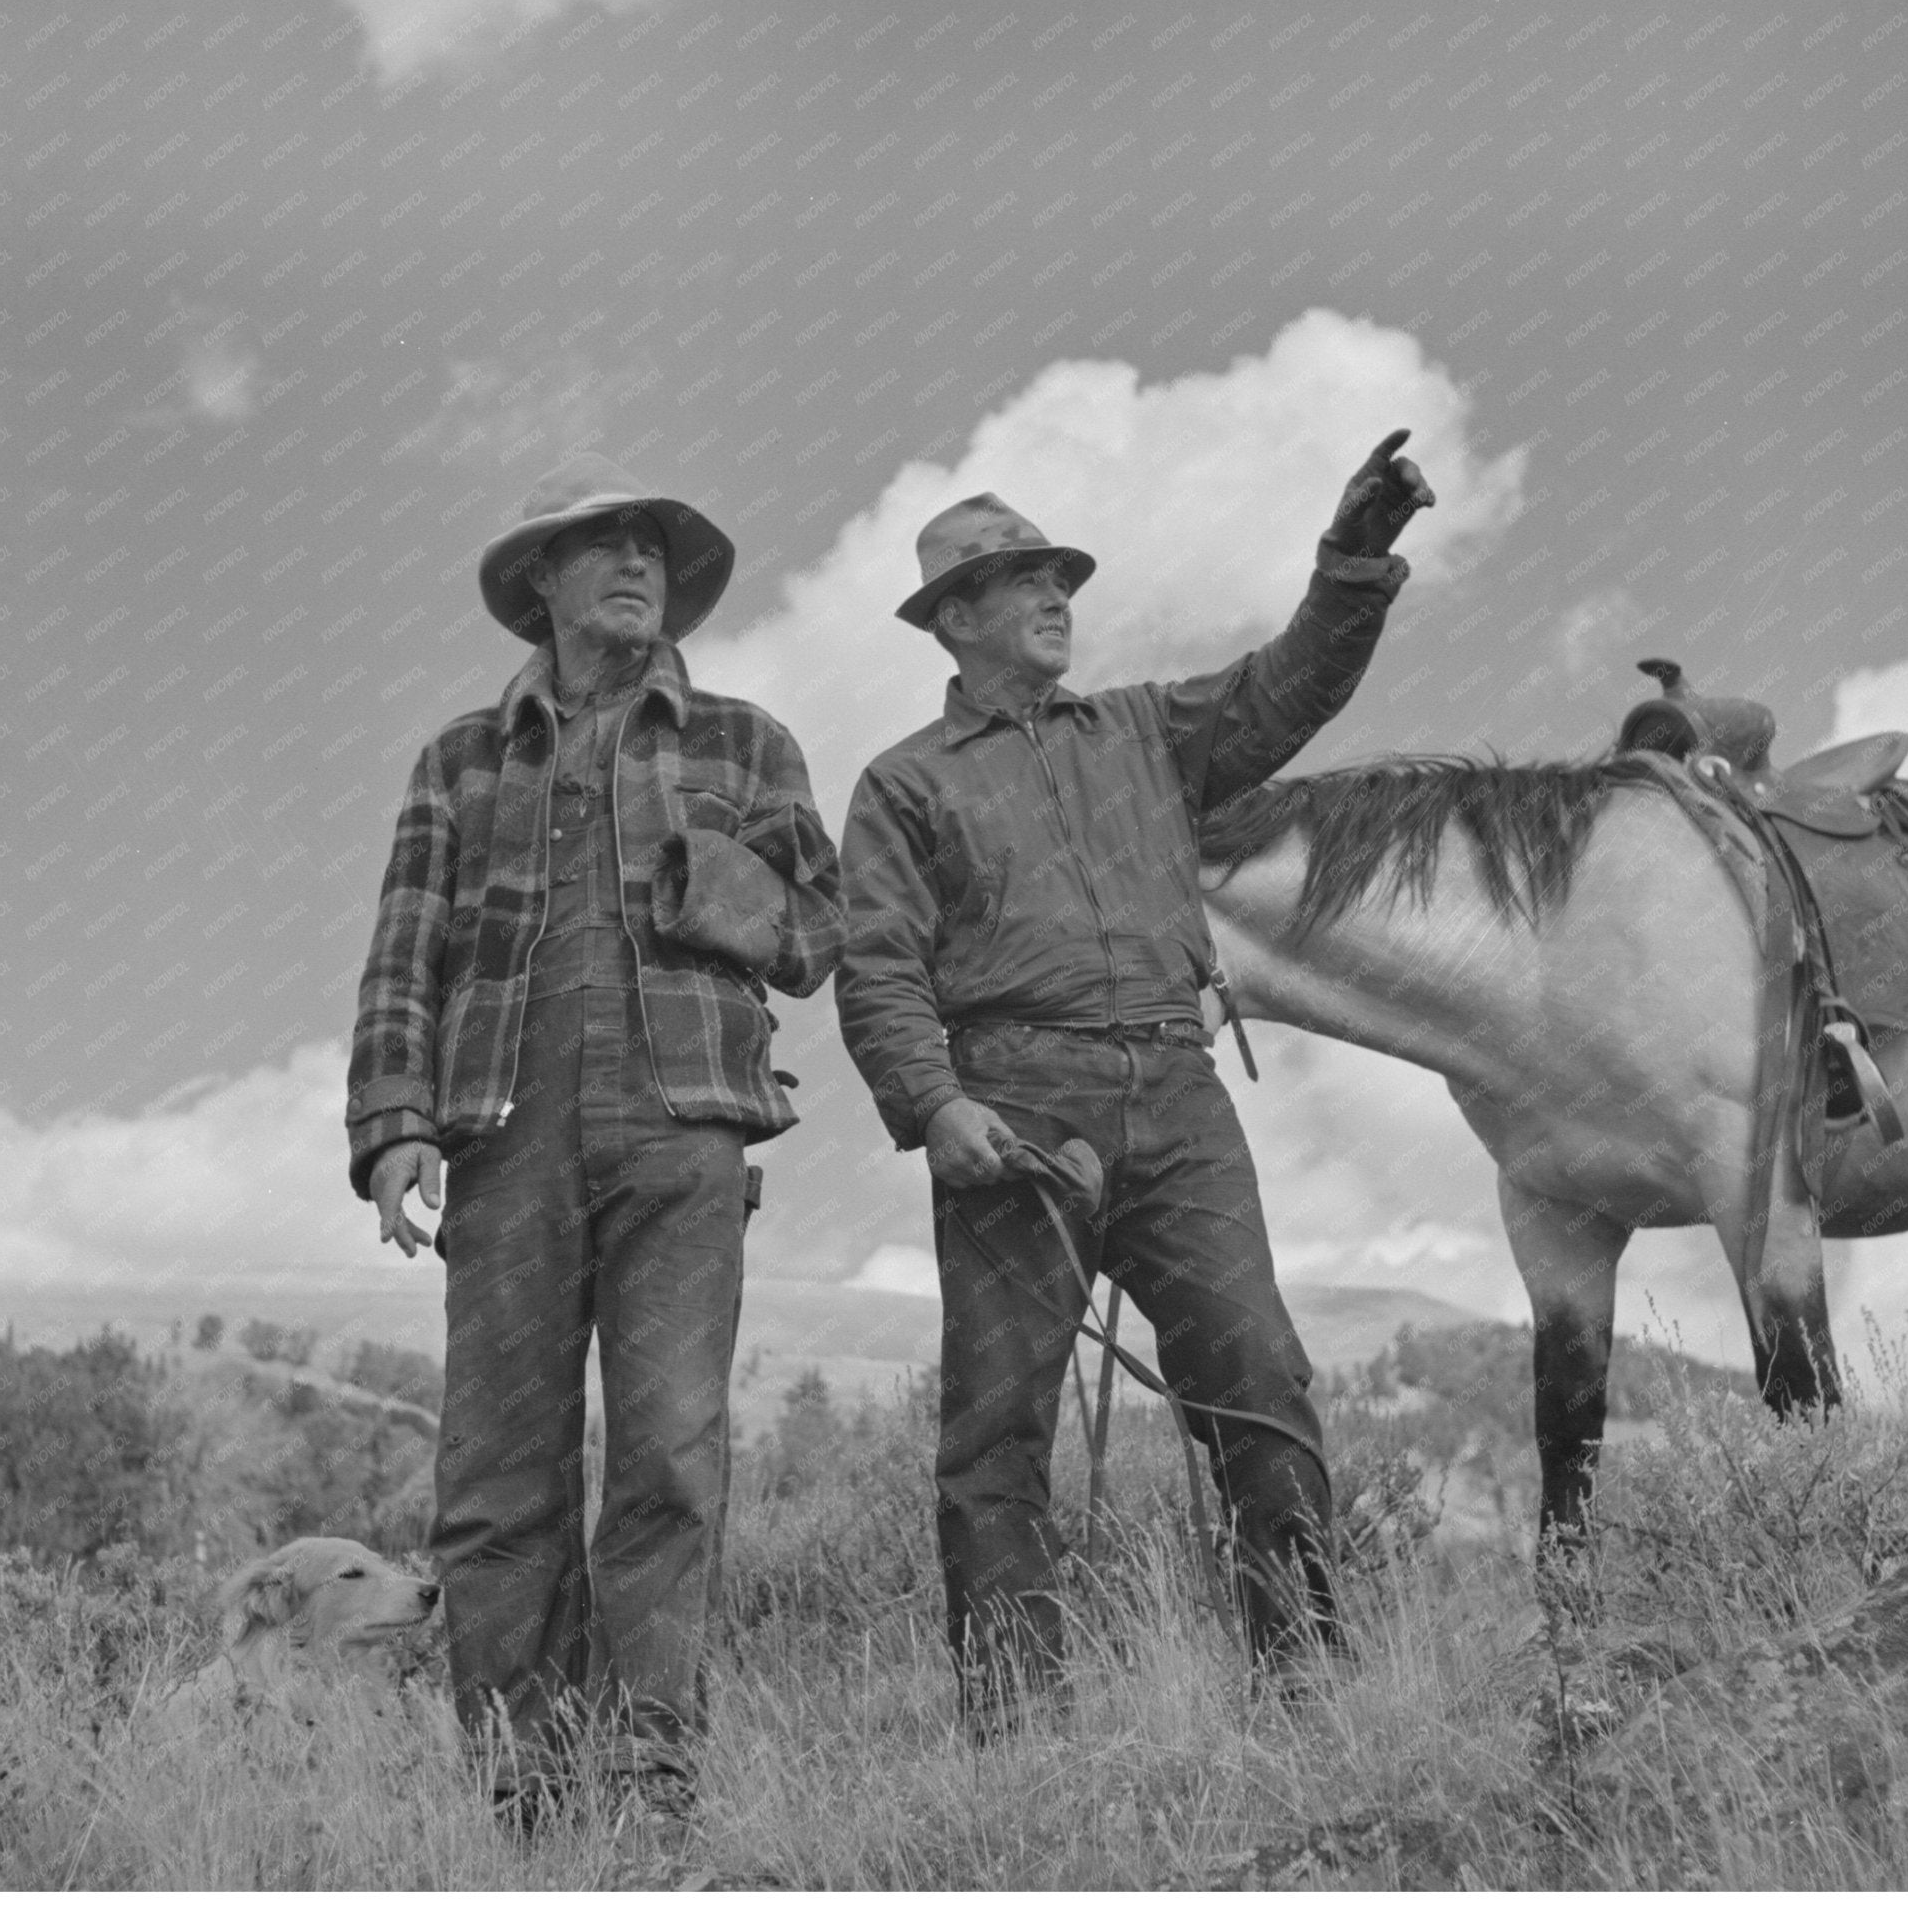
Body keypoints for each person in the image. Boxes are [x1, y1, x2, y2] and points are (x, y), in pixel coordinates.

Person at [835, 432, 1434, 1725]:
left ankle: (1308, 1690)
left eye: (1059, 576)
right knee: (998, 1429)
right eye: (1019, 581)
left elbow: (1289, 690)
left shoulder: (1146, 732)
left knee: (1261, 1378)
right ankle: (1017, 1729)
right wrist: (936, 1105)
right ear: (954, 621)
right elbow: (874, 967)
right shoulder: (903, 788)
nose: (1056, 597)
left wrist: (1353, 560)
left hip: (1176, 1092)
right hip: (1013, 1112)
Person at [345, 454, 843, 1823]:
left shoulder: (746, 744)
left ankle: (651, 1773)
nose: (635, 565)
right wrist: (394, 1127)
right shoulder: (458, 757)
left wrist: (706, 877)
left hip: (685, 1128)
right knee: (498, 1472)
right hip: (500, 1133)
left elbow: (815, 936)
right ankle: (518, 1782)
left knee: (672, 1453)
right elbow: (402, 959)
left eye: (652, 548)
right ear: (541, 585)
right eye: (601, 545)